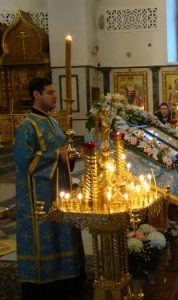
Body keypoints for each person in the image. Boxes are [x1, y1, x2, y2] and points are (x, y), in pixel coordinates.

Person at [13, 77, 86, 300]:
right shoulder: (27, 126)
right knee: (46, 237)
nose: (55, 96)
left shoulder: (53, 122)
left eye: (55, 92)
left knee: (62, 234)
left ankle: (67, 283)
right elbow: (24, 159)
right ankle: (44, 288)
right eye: (50, 92)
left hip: (60, 191)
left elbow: (64, 152)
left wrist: (70, 156)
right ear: (36, 95)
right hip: (39, 196)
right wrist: (58, 155)